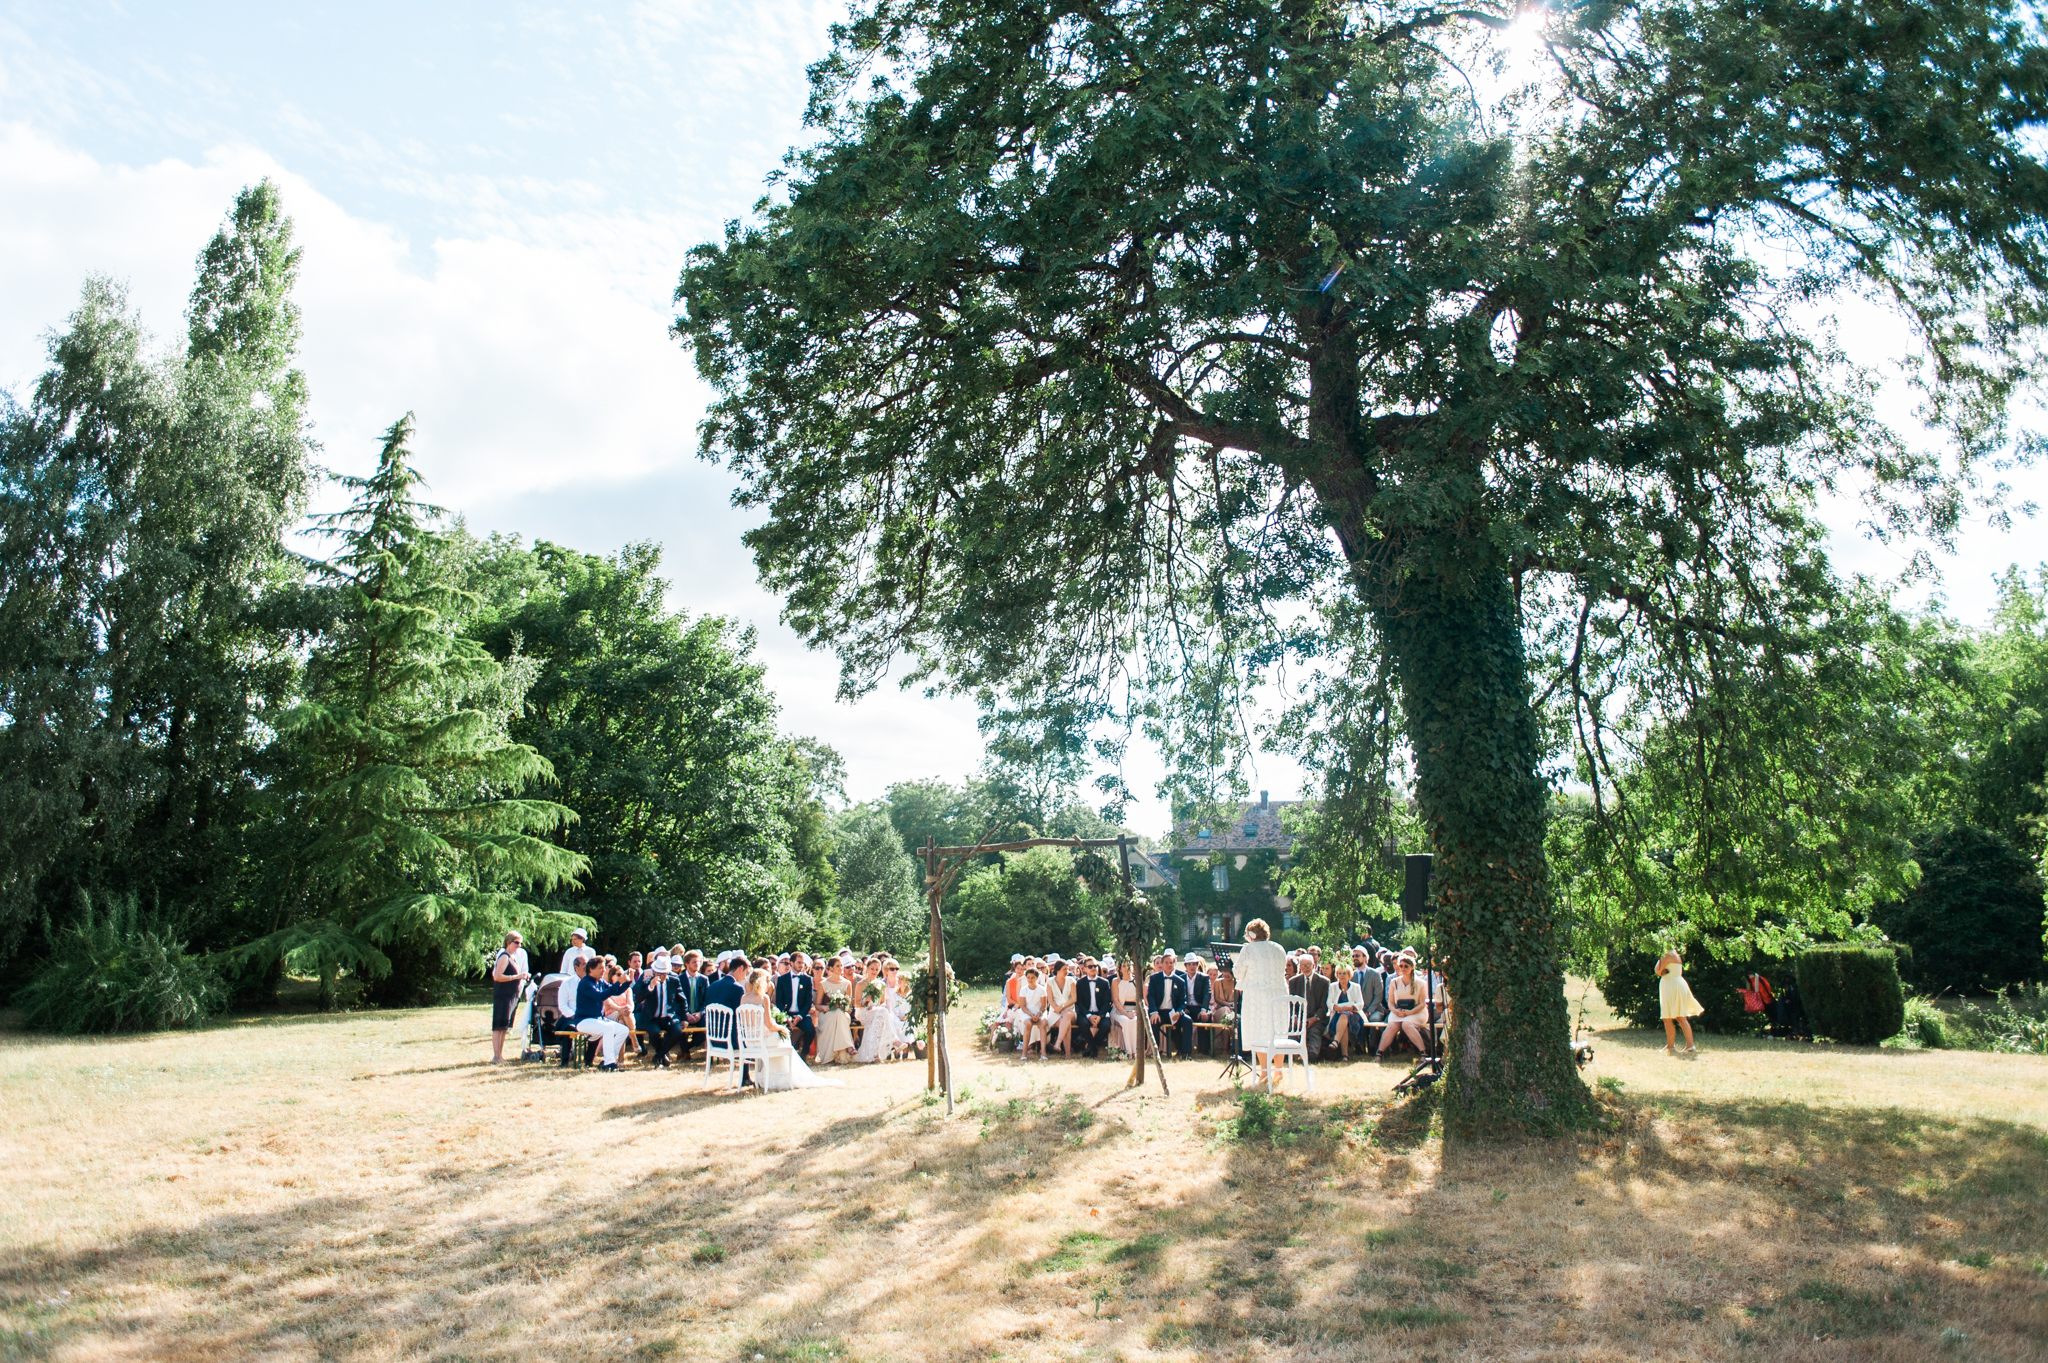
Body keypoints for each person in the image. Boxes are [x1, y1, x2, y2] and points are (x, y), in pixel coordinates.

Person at [741, 963, 845, 1090]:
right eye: (768, 981)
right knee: (785, 1039)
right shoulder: (764, 998)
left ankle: (771, 1076)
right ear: (763, 982)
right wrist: (781, 1028)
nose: (769, 984)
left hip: (750, 1041)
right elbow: (769, 1024)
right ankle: (785, 1076)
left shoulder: (744, 998)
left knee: (783, 1039)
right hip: (763, 1040)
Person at [1235, 919, 1288, 1088]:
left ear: (1250, 934)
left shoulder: (1248, 949)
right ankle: (1278, 1070)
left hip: (1258, 995)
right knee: (1277, 1031)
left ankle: (1265, 1072)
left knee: (1259, 1032)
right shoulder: (1279, 948)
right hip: (1279, 994)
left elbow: (1237, 972)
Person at [567, 955, 633, 1070]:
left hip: (598, 1019)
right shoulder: (586, 983)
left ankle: (607, 1060)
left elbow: (615, 991)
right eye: (600, 968)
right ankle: (609, 1064)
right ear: (591, 969)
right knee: (608, 1028)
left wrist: (627, 982)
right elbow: (600, 996)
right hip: (584, 1021)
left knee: (624, 1030)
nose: (604, 971)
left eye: (604, 968)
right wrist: (618, 983)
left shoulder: (600, 982)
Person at [1377, 955, 1429, 1059]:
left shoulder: (1421, 983)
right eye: (1401, 966)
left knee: (1406, 1024)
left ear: (1412, 967)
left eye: (1406, 966)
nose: (1403, 968)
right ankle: (1379, 1053)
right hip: (1398, 1012)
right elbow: (1390, 1002)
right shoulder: (1394, 982)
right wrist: (1396, 1011)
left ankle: (1423, 1052)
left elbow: (1423, 1004)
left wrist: (1410, 1012)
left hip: (1417, 1012)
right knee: (1392, 1025)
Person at [489, 931, 530, 1063]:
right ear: (508, 942)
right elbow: (497, 976)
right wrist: (516, 977)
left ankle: (500, 1055)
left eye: (520, 943)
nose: (519, 945)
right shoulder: (504, 957)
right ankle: (496, 1056)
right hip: (503, 996)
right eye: (516, 942)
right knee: (498, 1026)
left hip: (512, 996)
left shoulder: (513, 957)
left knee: (505, 1026)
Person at [1147, 951, 1194, 1057]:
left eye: (1171, 963)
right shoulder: (1154, 978)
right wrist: (1154, 1011)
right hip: (1159, 1012)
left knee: (1187, 1021)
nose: (1169, 965)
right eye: (1167, 963)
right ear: (1162, 964)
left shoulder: (1180, 981)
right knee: (1154, 1022)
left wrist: (1179, 1011)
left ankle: (1186, 1053)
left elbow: (1183, 1001)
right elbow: (1150, 996)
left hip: (1173, 1012)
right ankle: (1156, 1052)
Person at [1657, 947, 1703, 1054]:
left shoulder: (1667, 955)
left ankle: (1675, 1045)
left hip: (1671, 985)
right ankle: (1685, 1045)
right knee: (1678, 1017)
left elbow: (1658, 970)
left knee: (1670, 1017)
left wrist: (1659, 968)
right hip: (1675, 984)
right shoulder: (1675, 954)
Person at [1288, 951, 1331, 1059]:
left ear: (1314, 965)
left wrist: (1314, 1019)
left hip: (1317, 1018)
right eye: (1302, 965)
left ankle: (1312, 1056)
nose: (1305, 968)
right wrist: (1295, 1017)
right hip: (1299, 1018)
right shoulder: (1293, 981)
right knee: (1291, 1029)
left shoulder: (1324, 982)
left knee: (1314, 1031)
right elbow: (1292, 1004)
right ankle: (1291, 1054)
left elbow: (1324, 1006)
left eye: (1308, 965)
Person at [774, 956, 817, 1060]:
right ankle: (781, 1056)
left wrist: (799, 1016)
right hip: (786, 1013)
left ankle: (804, 1055)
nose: (801, 965)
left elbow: (808, 1002)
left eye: (802, 963)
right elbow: (779, 1001)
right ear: (791, 963)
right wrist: (785, 1017)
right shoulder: (782, 979)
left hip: (801, 1013)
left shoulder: (807, 980)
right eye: (799, 962)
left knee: (810, 1030)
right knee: (778, 1031)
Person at [816, 959, 855, 1063]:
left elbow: (849, 1005)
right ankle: (848, 1046)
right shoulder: (823, 984)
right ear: (831, 968)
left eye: (841, 965)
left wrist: (842, 1005)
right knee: (835, 1014)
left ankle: (840, 1054)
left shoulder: (847, 983)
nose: (840, 968)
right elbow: (817, 1005)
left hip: (842, 1013)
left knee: (838, 1014)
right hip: (826, 1013)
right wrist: (824, 1007)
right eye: (838, 966)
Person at [1074, 959, 1114, 1057]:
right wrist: (1088, 1016)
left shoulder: (1104, 982)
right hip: (1086, 1013)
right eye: (1090, 966)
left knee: (1106, 1026)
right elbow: (1079, 1002)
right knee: (1083, 1024)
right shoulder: (1080, 983)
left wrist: (1100, 1016)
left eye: (1095, 966)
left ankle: (1091, 1046)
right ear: (1084, 969)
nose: (1093, 968)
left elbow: (1106, 1002)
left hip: (1100, 1013)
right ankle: (1094, 1049)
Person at [1327, 965, 1366, 1058]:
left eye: (1344, 973)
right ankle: (1345, 1055)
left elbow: (1360, 1003)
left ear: (1349, 975)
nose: (1342, 976)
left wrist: (1350, 1008)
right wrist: (1335, 1007)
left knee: (1345, 1015)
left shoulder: (1356, 987)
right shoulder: (1333, 986)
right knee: (1344, 1023)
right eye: (1339, 973)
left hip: (1354, 1015)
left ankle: (1336, 1041)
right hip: (1337, 1014)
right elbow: (1329, 1002)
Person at [1047, 960, 1078, 1057]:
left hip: (1069, 1010)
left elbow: (1074, 998)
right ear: (1058, 970)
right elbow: (1050, 1000)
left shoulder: (1071, 981)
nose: (1067, 971)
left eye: (1067, 969)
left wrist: (1063, 1007)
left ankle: (1058, 1043)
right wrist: (1058, 1009)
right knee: (1065, 1023)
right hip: (1055, 1012)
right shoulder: (1050, 982)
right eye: (1064, 969)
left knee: (1067, 1015)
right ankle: (1068, 1054)